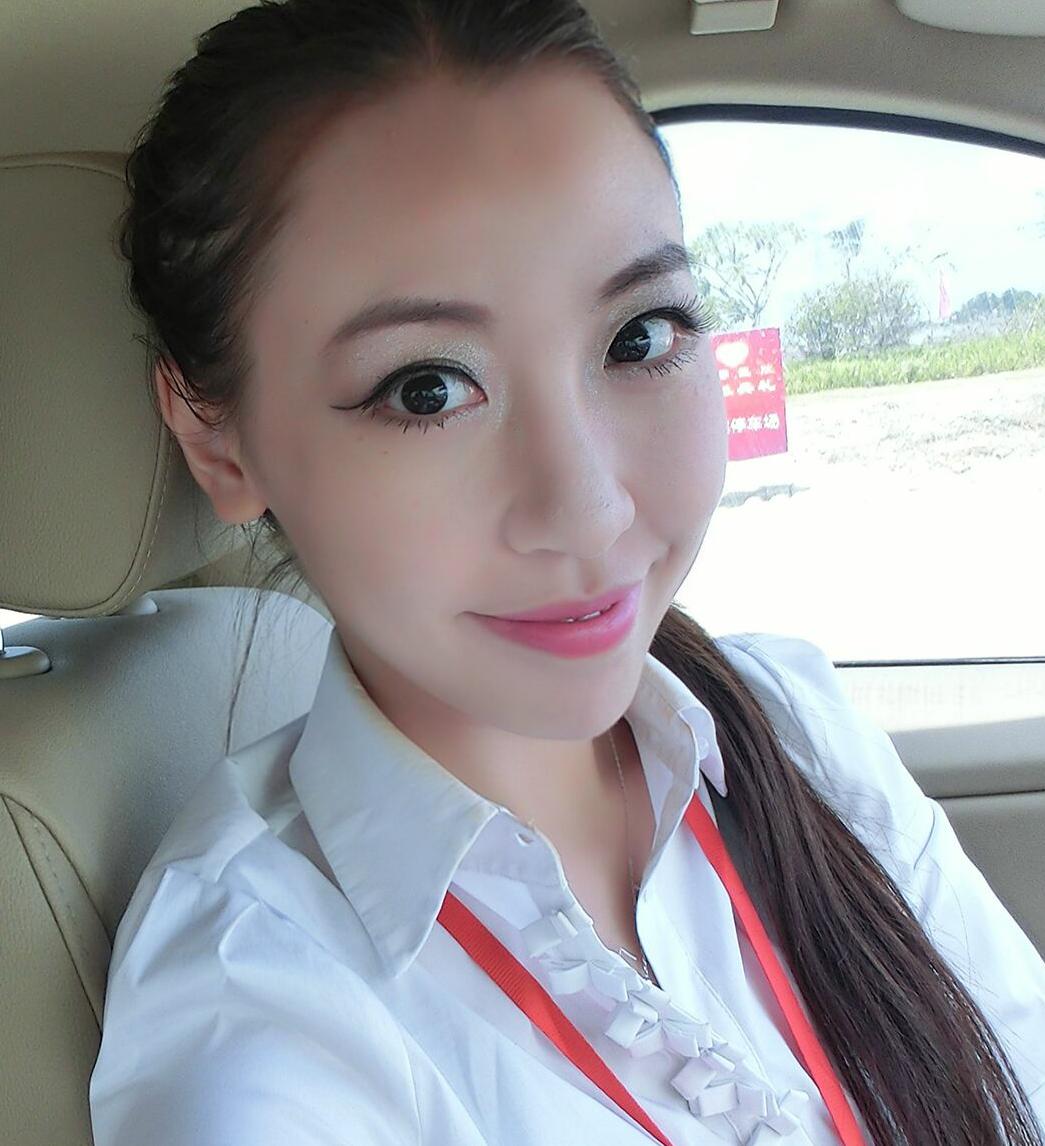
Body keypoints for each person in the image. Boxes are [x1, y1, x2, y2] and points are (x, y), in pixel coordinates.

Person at [88, 2, 1045, 1143]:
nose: (590, 510)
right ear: (214, 438)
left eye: (639, 337)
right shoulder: (258, 1017)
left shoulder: (791, 722)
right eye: (426, 389)